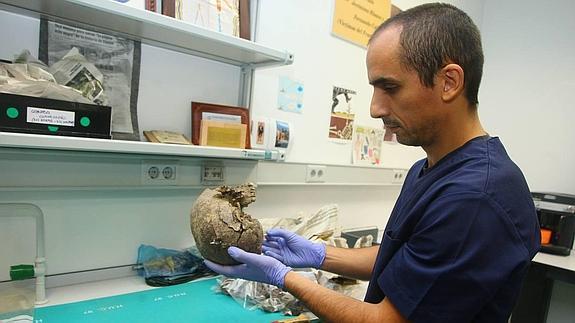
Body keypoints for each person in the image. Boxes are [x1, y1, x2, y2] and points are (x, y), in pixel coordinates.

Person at [205, 3, 540, 322]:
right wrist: (321, 255)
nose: (375, 108)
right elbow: (402, 262)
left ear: (449, 82)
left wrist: (285, 278)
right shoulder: (430, 168)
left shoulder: (475, 199)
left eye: (389, 87)